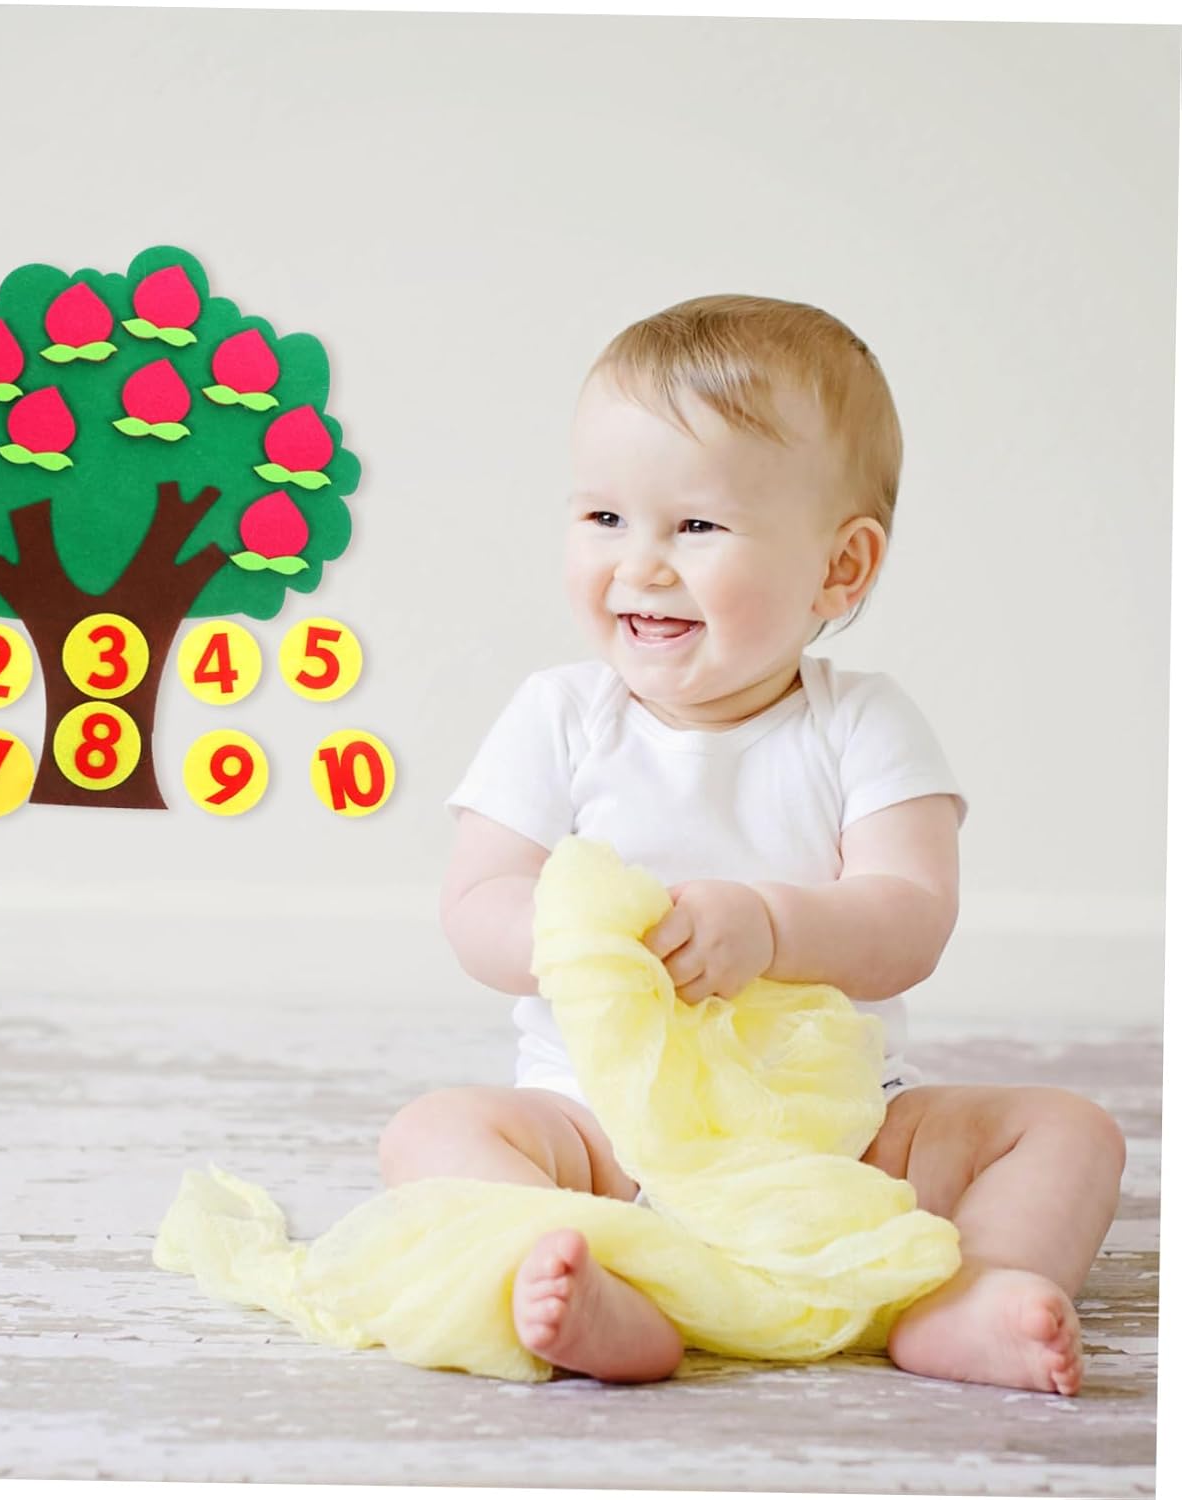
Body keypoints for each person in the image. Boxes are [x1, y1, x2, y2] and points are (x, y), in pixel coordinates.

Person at [377, 295, 1126, 1391]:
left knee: (1069, 1131)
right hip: (603, 1132)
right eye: (605, 518)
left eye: (696, 527)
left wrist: (770, 926)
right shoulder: (559, 715)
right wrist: (586, 943)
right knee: (432, 1132)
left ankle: (974, 1292)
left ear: (840, 569)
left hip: (840, 1138)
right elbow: (477, 903)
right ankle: (602, 1281)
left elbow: (911, 918)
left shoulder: (861, 724)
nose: (642, 565)